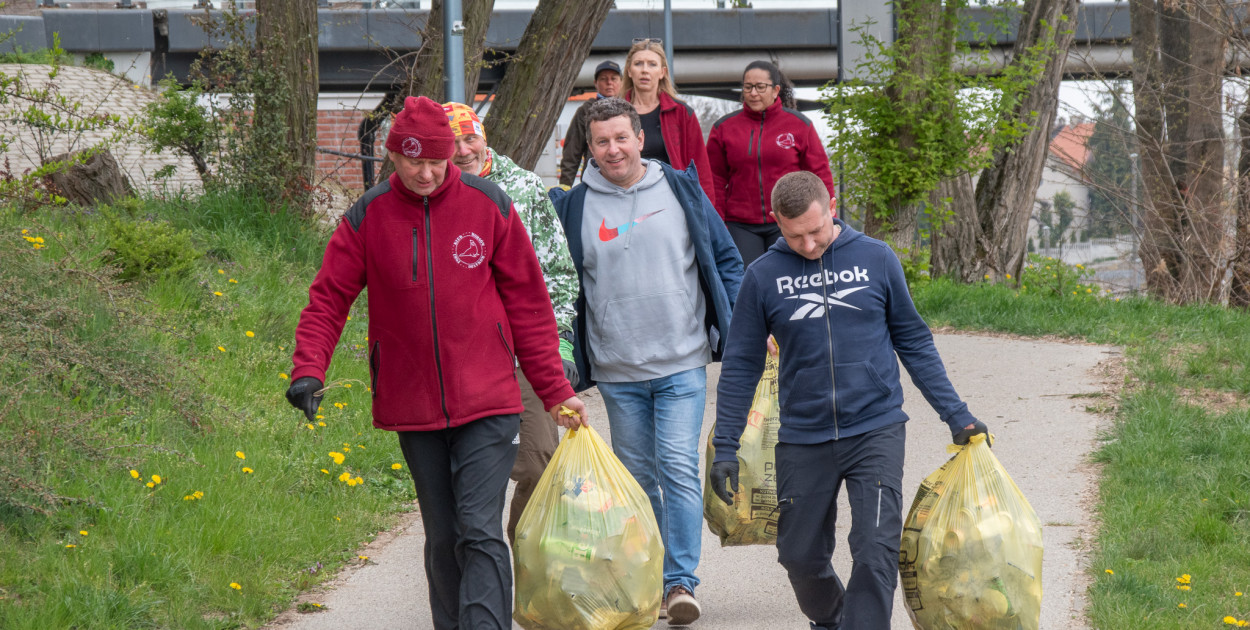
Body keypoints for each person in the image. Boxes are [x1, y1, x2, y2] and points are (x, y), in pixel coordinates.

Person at [285, 95, 588, 630]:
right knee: (444, 533)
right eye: (413, 160)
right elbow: (329, 298)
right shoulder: (368, 216)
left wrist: (554, 390)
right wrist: (309, 368)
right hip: (412, 402)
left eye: (436, 161)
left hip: (490, 398)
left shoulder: (489, 205)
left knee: (479, 528)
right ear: (393, 156)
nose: (426, 173)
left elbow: (530, 305)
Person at [708, 171, 989, 630]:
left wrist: (956, 415)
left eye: (816, 231)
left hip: (875, 427)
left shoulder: (876, 258)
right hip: (803, 435)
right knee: (799, 556)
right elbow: (740, 365)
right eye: (794, 235)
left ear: (832, 204)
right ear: (777, 223)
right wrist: (725, 448)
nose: (808, 244)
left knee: (876, 549)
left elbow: (914, 341)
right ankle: (833, 618)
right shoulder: (762, 277)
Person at [549, 96, 742, 627]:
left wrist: (748, 326)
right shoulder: (575, 205)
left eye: (621, 138)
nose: (613, 149)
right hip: (617, 367)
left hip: (682, 359)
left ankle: (681, 582)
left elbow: (725, 260)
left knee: (678, 467)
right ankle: (653, 577)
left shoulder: (680, 188)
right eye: (601, 141)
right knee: (638, 477)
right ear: (589, 148)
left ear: (640, 137)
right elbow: (564, 288)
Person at [442, 101, 580, 544]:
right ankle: (479, 560)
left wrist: (556, 344)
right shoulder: (430, 195)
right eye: (452, 142)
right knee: (465, 472)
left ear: (484, 137)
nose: (463, 150)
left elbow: (558, 272)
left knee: (539, 459)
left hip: (525, 350)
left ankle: (521, 555)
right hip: (460, 355)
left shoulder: (522, 188)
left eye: (470, 137)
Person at [707, 60, 836, 267]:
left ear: (776, 90)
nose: (753, 93)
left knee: (790, 279)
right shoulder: (724, 128)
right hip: (741, 225)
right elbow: (714, 179)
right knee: (747, 281)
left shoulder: (799, 125)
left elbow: (819, 173)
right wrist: (717, 221)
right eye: (748, 87)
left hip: (791, 220)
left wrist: (829, 215)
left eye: (760, 87)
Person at [621, 38, 716, 203]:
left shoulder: (681, 113)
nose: (645, 70)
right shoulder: (614, 113)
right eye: (638, 64)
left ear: (662, 72)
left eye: (652, 64)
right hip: (624, 198)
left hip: (670, 200)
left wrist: (706, 213)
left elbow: (700, 168)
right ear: (629, 71)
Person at [559, 59, 623, 186]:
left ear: (621, 82)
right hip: (593, 182)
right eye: (604, 79)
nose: (609, 83)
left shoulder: (630, 109)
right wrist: (565, 188)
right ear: (595, 83)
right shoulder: (585, 111)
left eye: (614, 78)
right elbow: (572, 153)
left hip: (626, 182)